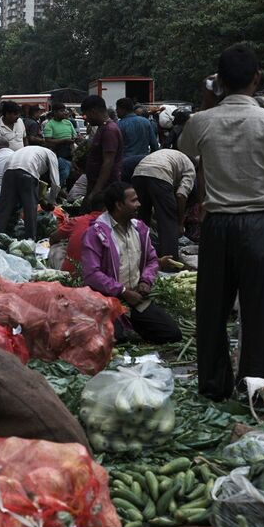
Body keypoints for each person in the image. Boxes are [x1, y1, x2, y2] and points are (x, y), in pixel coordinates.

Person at [178, 44, 264, 401]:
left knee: (213, 309)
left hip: (217, 224)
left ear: (218, 81)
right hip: (262, 223)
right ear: (257, 78)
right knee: (261, 311)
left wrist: (208, 99)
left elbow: (185, 154)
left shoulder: (201, 120)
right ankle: (258, 389)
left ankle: (213, 386)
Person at [81, 182, 182, 344]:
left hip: (135, 298)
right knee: (118, 338)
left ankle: (131, 322)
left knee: (171, 334)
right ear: (119, 205)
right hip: (108, 299)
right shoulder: (96, 233)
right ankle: (120, 324)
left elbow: (151, 260)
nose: (139, 204)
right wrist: (122, 291)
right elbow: (92, 275)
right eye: (133, 201)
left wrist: (145, 281)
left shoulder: (139, 229)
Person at [131, 149, 196, 261]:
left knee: (142, 221)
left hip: (138, 173)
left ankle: (140, 259)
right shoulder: (190, 168)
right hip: (160, 174)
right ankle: (170, 264)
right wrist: (180, 223)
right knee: (168, 222)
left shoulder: (173, 155)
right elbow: (181, 195)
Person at [0, 145, 60, 239]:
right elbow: (56, 183)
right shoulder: (51, 155)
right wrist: (51, 201)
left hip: (8, 171)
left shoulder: (32, 150)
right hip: (27, 171)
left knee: (4, 206)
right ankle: (30, 239)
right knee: (30, 209)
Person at [81, 94, 123, 206]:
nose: (86, 119)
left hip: (105, 188)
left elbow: (108, 162)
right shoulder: (102, 128)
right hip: (97, 184)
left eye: (86, 115)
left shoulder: (109, 130)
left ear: (93, 111)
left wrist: (96, 192)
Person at [117, 97, 159, 180]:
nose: (116, 112)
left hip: (126, 164)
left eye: (117, 109)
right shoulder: (146, 122)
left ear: (123, 109)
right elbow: (154, 145)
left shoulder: (119, 125)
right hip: (144, 162)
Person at [41, 103, 78, 186]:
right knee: (64, 172)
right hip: (57, 154)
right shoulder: (49, 125)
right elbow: (48, 141)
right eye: (61, 111)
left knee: (72, 176)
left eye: (65, 110)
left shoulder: (68, 123)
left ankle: (67, 194)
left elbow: (75, 136)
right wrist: (64, 141)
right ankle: (56, 191)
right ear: (54, 112)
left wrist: (74, 141)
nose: (64, 112)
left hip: (71, 152)